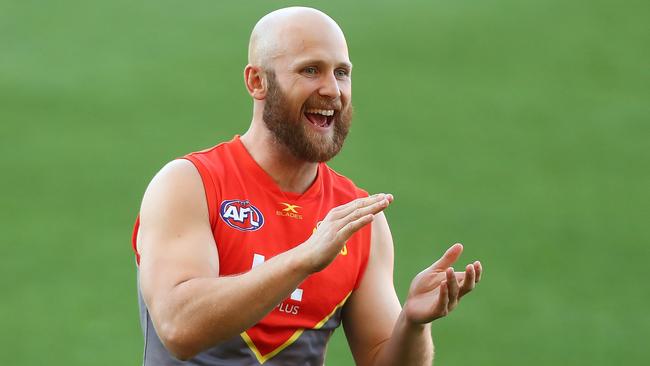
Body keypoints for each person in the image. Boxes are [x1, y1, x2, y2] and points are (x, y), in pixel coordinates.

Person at [132, 6, 483, 366]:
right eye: (310, 70)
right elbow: (179, 328)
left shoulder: (358, 221)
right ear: (257, 82)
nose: (332, 90)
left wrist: (413, 323)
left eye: (342, 73)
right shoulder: (190, 185)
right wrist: (303, 258)